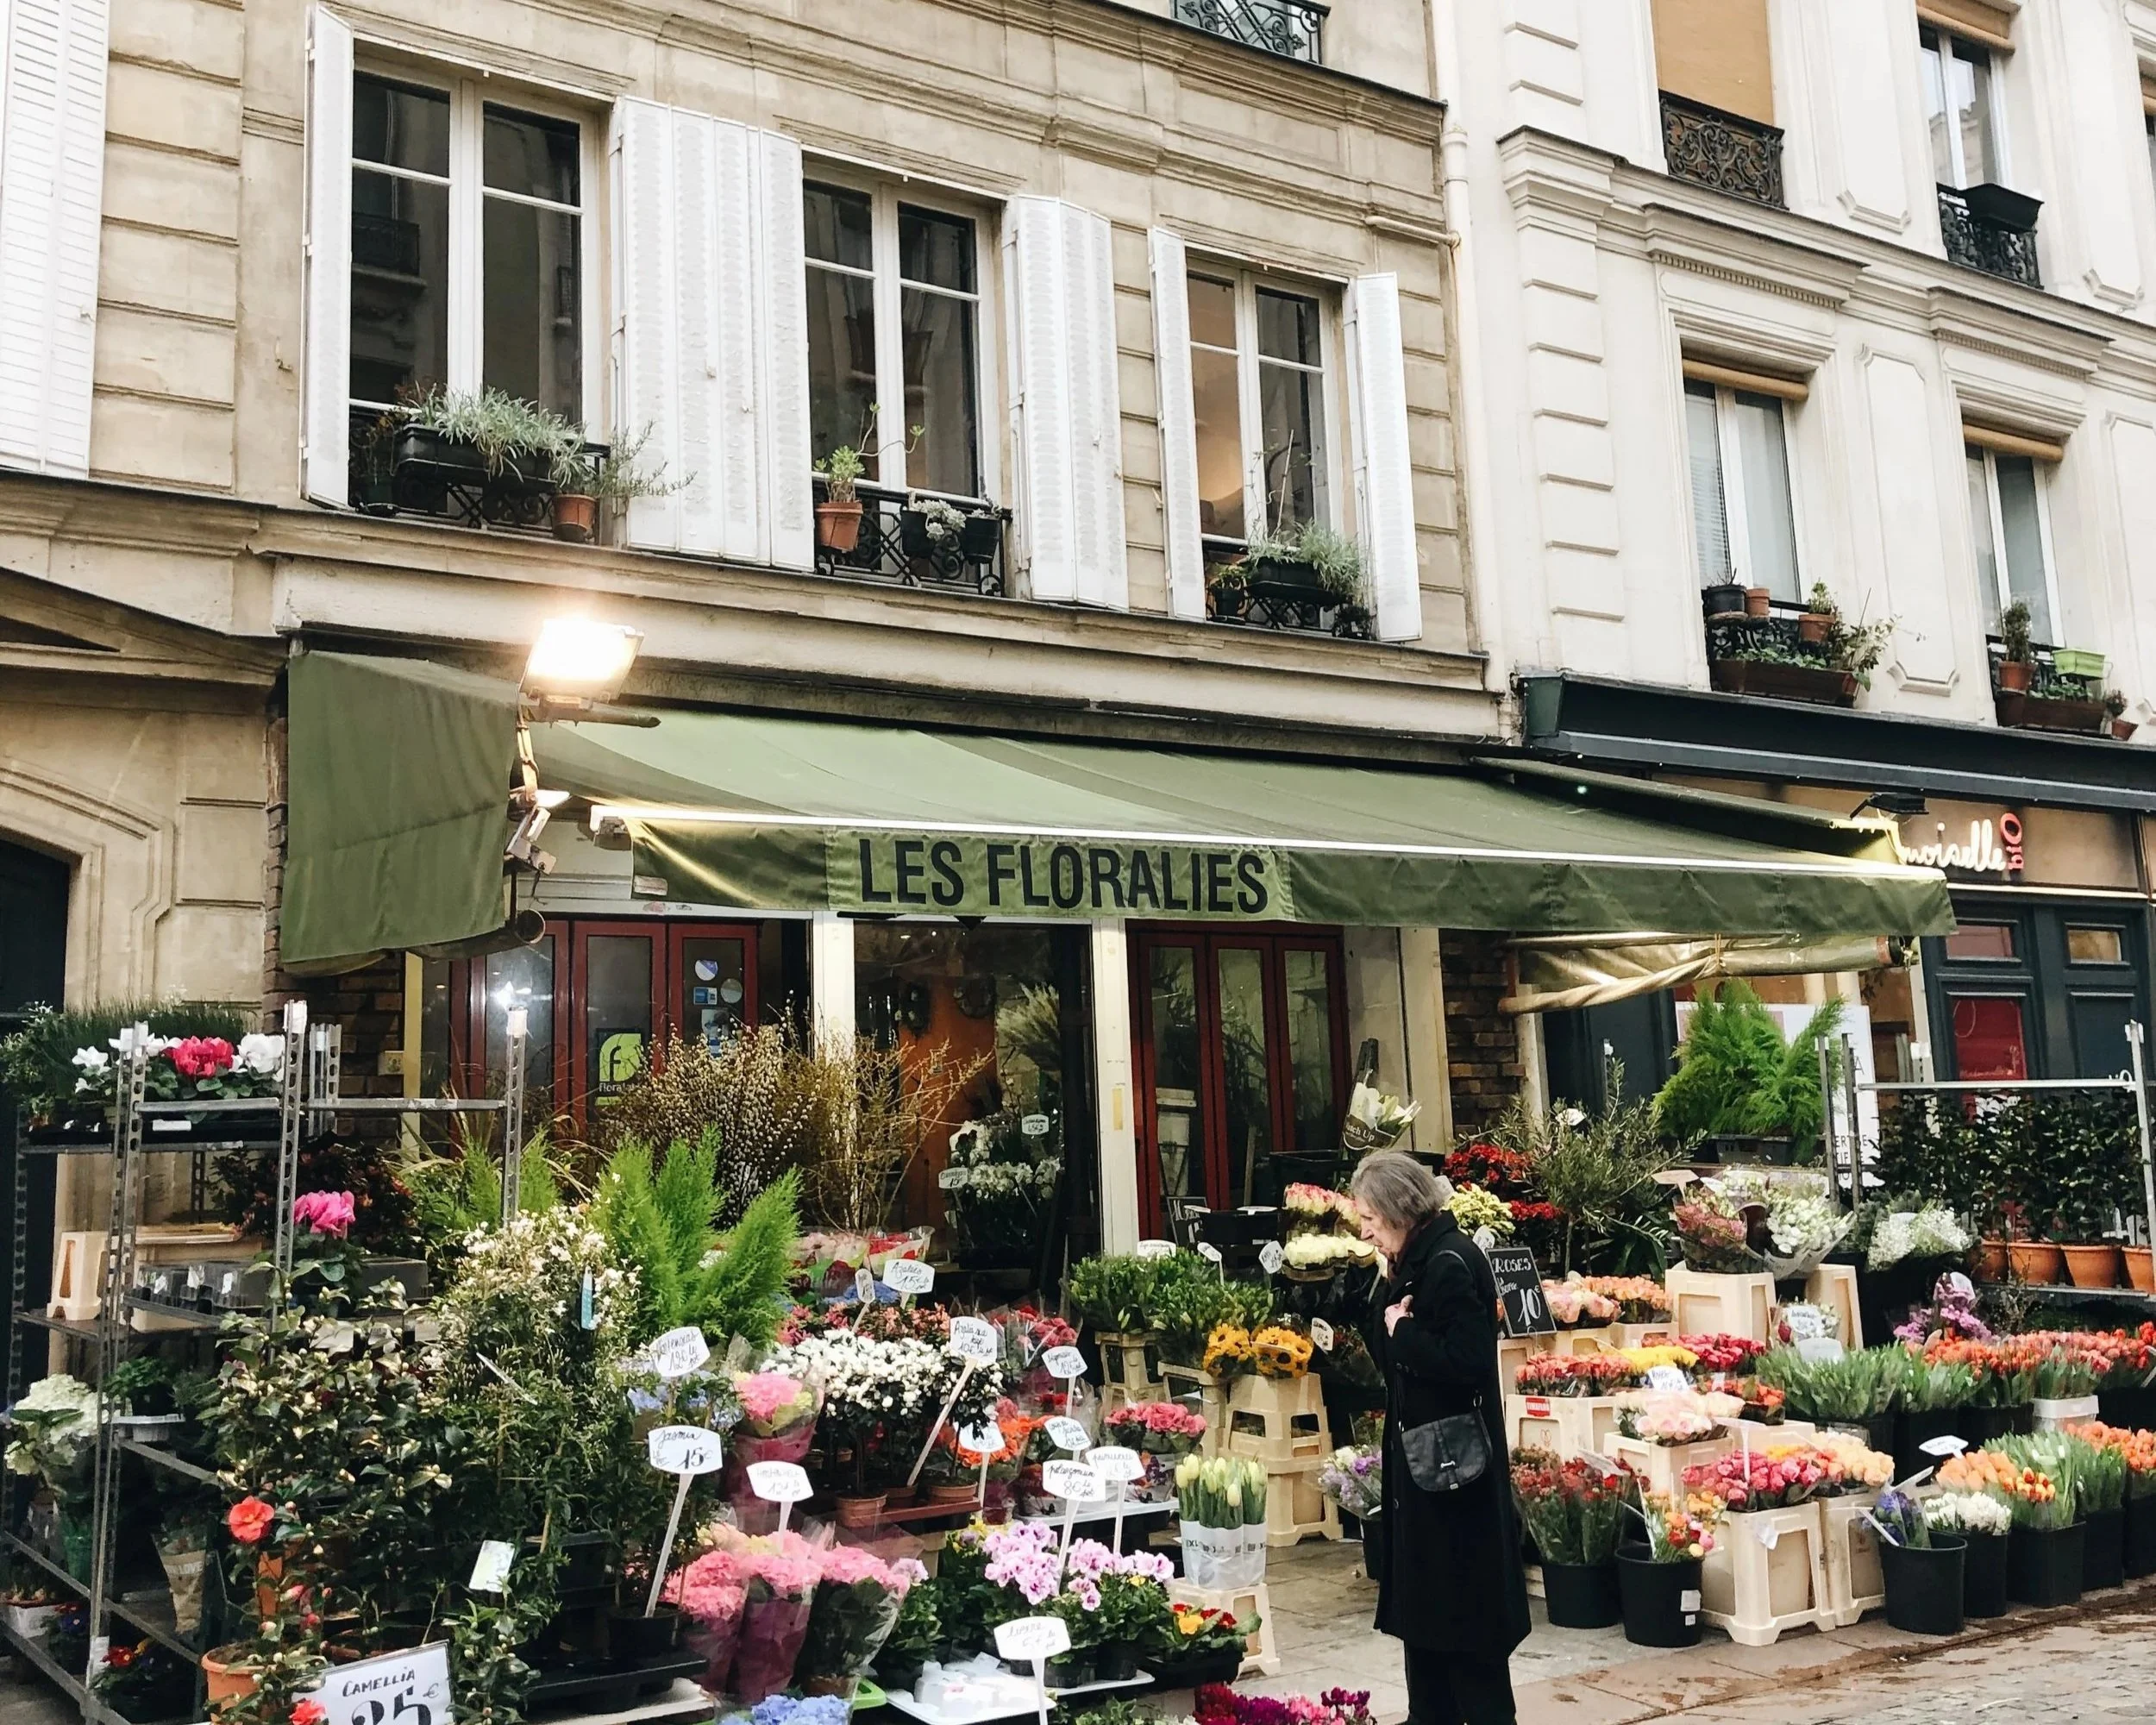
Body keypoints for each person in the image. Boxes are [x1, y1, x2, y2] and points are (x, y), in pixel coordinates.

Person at [1351, 1150, 1529, 1725]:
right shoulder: (1414, 1262)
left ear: (1399, 1210)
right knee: (1428, 1610)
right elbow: (1386, 1351)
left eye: (1370, 1221)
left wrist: (1403, 1330)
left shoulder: (1450, 1262)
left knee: (1462, 1616)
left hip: (1455, 1473)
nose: (1364, 1232)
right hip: (1428, 1466)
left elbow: (1467, 1360)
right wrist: (1383, 1303)